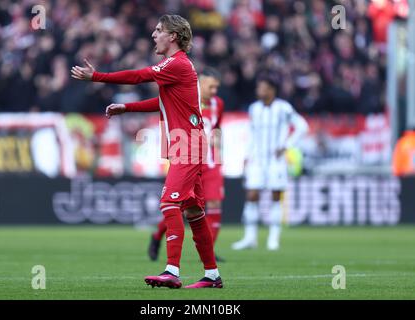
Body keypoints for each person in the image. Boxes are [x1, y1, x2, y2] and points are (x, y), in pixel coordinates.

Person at [71, 14, 222, 289]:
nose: (153, 35)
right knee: (194, 212)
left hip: (187, 144)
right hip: (186, 143)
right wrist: (126, 108)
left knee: (168, 203)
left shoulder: (176, 64)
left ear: (172, 36)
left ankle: (172, 271)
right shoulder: (177, 68)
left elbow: (139, 76)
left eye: (158, 30)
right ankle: (212, 275)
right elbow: (162, 100)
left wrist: (96, 76)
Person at [148, 67, 226, 262]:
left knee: (214, 203)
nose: (214, 92)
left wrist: (218, 149)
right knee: (180, 205)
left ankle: (209, 252)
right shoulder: (186, 100)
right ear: (199, 83)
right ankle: (157, 236)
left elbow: (216, 128)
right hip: (188, 160)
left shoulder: (218, 104)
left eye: (217, 87)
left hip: (210, 162)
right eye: (211, 87)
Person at [232, 75, 309, 251]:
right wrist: (247, 155)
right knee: (252, 195)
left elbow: (302, 126)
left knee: (276, 197)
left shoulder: (283, 108)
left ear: (271, 90)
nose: (259, 90)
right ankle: (250, 237)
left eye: (262, 87)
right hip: (258, 159)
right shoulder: (254, 108)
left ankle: (273, 239)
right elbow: (251, 133)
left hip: (276, 160)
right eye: (258, 87)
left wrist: (287, 145)